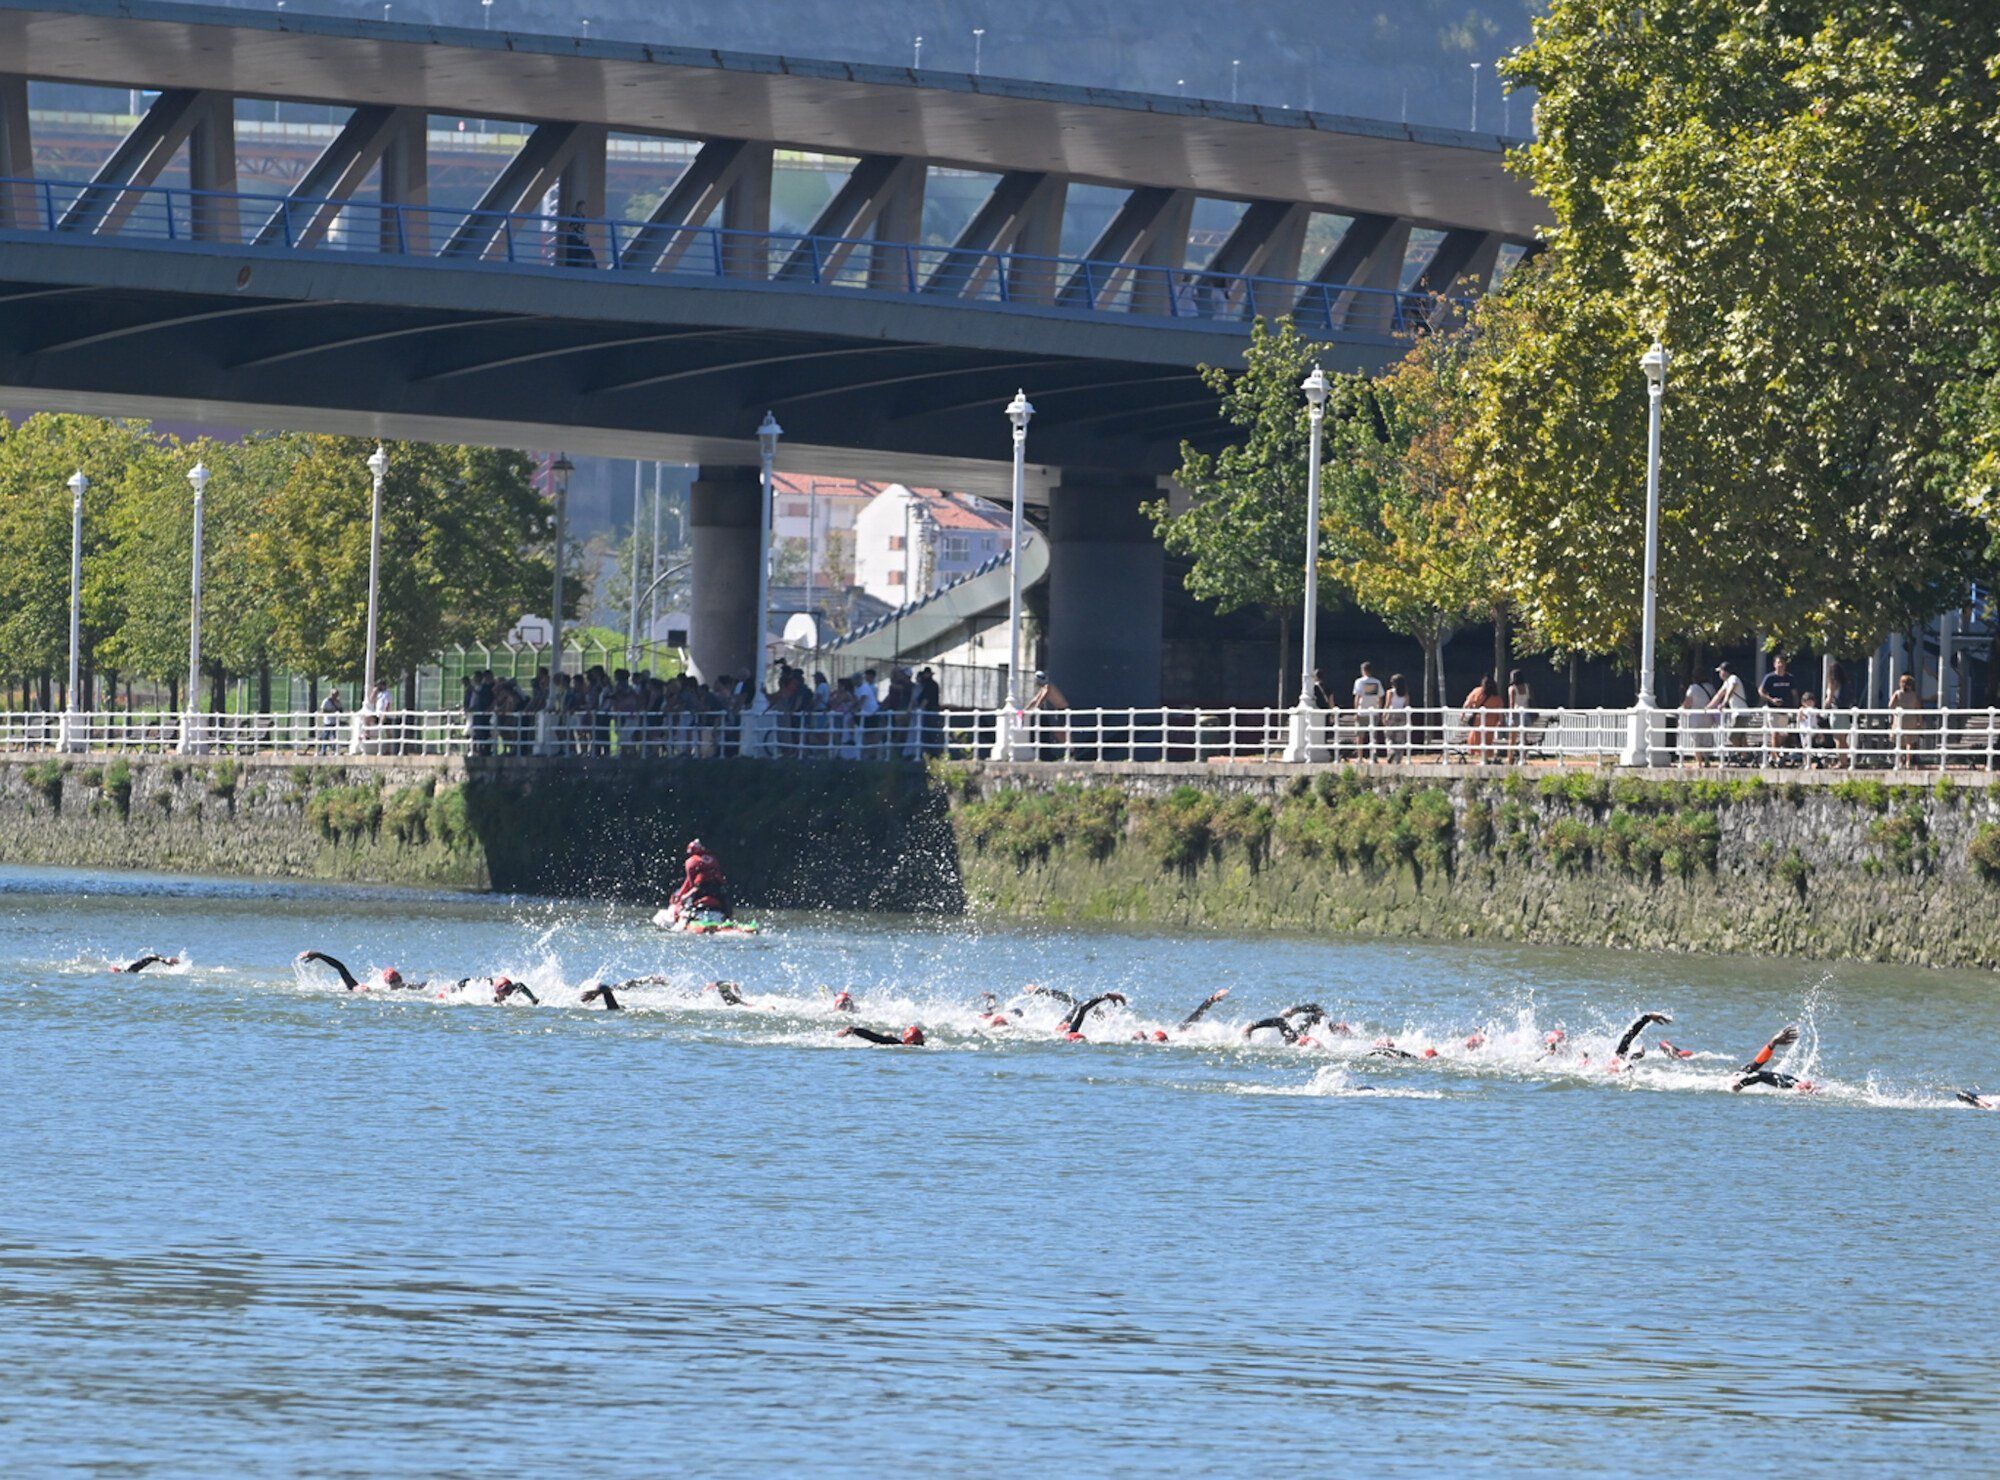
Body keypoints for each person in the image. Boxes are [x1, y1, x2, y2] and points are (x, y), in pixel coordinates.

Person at [1730, 1025, 1814, 1093]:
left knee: (1756, 1074)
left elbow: (1756, 1064)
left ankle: (1802, 1086)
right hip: (1795, 1087)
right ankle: (1801, 1087)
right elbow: (1757, 1070)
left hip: (1795, 1087)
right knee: (1759, 1075)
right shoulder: (1735, 1080)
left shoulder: (1738, 1076)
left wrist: (1773, 1043)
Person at [669, 839, 731, 922]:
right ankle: (727, 919)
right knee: (727, 907)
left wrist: (680, 897)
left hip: (700, 891)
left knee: (683, 902)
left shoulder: (690, 861)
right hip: (718, 891)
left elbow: (691, 884)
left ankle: (683, 919)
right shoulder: (713, 859)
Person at [1707, 662, 1750, 763]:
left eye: (1720, 671)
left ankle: (1742, 755)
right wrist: (1708, 707)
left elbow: (1730, 691)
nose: (1719, 674)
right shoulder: (1727, 682)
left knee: (1732, 736)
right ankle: (1745, 756)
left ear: (1725, 671)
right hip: (1738, 713)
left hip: (1741, 713)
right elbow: (1718, 695)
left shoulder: (1733, 678)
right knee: (1741, 736)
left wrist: (1724, 703)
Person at [1758, 656, 1797, 764]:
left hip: (1785, 710)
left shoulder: (1790, 678)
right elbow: (1761, 691)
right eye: (1778, 663)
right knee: (1775, 732)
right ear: (1774, 664)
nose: (1780, 665)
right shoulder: (1769, 677)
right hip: (1773, 709)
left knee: (1783, 734)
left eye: (1782, 663)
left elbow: (1794, 693)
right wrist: (1771, 700)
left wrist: (1795, 708)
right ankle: (1776, 757)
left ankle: (1772, 755)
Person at [1889, 672, 1925, 768]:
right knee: (1909, 741)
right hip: (1911, 719)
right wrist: (1920, 722)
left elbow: (1890, 705)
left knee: (1899, 741)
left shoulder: (1897, 693)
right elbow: (1918, 709)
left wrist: (1895, 712)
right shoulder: (1914, 695)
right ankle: (1908, 762)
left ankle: (1900, 761)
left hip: (1900, 719)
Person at [1353, 662, 1385, 760]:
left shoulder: (1359, 682)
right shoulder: (1377, 682)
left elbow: (1357, 697)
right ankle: (1373, 755)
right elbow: (1380, 698)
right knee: (1373, 735)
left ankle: (1360, 757)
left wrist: (1355, 711)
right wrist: (1379, 710)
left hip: (1362, 711)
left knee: (1360, 736)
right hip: (1373, 712)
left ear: (1363, 670)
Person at [1059, 992, 1128, 1038]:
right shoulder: (1068, 1031)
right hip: (1067, 1029)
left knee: (1079, 1005)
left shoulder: (1070, 1028)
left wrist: (1107, 996)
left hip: (1067, 1026)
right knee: (1079, 1005)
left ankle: (1103, 1015)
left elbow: (1083, 1007)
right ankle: (1103, 1015)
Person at [1505, 668, 1534, 759]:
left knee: (1512, 738)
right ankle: (1523, 757)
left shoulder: (1512, 689)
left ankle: (1510, 758)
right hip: (1526, 713)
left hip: (1516, 713)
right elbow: (1530, 700)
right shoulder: (1527, 686)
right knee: (1524, 738)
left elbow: (1511, 703)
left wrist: (1511, 716)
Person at [837, 1024, 925, 1046]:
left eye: (920, 1043)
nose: (919, 1045)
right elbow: (874, 1037)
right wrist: (855, 1030)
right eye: (916, 1043)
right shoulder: (895, 1043)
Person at [112, 953, 178, 974]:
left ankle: (170, 962)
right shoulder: (129, 970)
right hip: (151, 958)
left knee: (162, 960)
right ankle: (171, 962)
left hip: (151, 958)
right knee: (163, 960)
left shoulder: (130, 970)